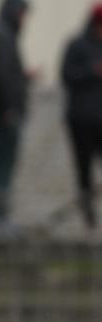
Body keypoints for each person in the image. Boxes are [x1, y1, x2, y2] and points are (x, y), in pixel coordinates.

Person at [0, 0, 32, 232]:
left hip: (3, 111)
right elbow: (1, 76)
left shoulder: (3, 35)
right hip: (5, 114)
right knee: (3, 165)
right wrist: (9, 108)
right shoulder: (2, 36)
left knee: (2, 163)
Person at [61, 3, 102, 230]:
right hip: (81, 121)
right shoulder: (77, 45)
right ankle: (89, 218)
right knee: (84, 171)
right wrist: (92, 71)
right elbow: (66, 75)